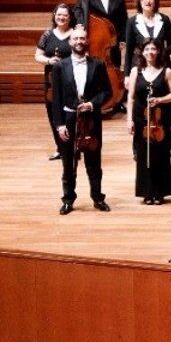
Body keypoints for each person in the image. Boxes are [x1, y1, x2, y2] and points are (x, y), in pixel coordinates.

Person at [49, 25, 111, 213]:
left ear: (87, 41)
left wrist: (92, 104)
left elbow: (107, 91)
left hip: (91, 119)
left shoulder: (98, 64)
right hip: (68, 118)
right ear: (70, 42)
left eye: (82, 39)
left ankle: (97, 198)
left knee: (94, 162)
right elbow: (56, 98)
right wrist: (59, 125)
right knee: (68, 162)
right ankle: (68, 199)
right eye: (75, 39)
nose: (79, 42)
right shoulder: (60, 66)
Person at [129, 38, 171, 205]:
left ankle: (160, 192)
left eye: (154, 49)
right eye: (147, 49)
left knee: (160, 155)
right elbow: (130, 97)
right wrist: (129, 120)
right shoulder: (136, 71)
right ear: (142, 52)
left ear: (158, 52)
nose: (150, 52)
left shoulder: (167, 71)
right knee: (143, 156)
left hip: (159, 120)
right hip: (141, 119)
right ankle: (146, 192)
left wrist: (160, 100)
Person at [35, 4, 77, 159]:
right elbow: (37, 56)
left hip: (70, 80)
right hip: (51, 82)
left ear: (70, 17)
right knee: (53, 113)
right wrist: (49, 60)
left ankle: (72, 147)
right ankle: (60, 148)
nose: (61, 18)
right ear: (54, 16)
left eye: (65, 15)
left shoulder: (75, 35)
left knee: (70, 114)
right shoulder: (47, 35)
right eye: (59, 15)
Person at [123, 0, 171, 76]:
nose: (148, 1)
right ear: (139, 2)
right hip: (139, 66)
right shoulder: (132, 22)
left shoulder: (164, 19)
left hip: (162, 65)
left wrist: (158, 54)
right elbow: (129, 50)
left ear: (155, 0)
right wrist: (127, 75)